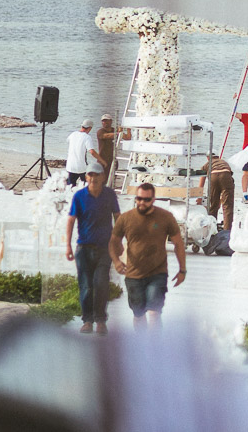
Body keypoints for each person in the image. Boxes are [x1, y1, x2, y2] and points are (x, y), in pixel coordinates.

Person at [110, 182, 186, 330]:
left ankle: (154, 348)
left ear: (153, 199)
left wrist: (182, 269)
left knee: (154, 313)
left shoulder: (166, 217)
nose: (142, 202)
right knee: (138, 315)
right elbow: (113, 241)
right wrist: (116, 261)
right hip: (133, 274)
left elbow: (178, 244)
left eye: (146, 199)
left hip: (157, 273)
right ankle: (141, 347)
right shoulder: (126, 218)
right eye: (139, 199)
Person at [65, 168, 120, 335]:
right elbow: (71, 220)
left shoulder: (110, 195)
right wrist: (67, 245)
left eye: (97, 175)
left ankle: (101, 320)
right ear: (86, 176)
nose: (93, 178)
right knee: (86, 286)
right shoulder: (79, 196)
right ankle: (87, 320)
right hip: (84, 248)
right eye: (90, 174)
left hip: (105, 248)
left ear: (103, 177)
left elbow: (118, 217)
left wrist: (119, 241)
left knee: (101, 283)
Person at [66, 118, 105, 187]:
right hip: (81, 167)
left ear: (82, 126)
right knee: (87, 185)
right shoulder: (87, 137)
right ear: (89, 128)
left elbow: (68, 141)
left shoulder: (72, 134)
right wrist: (102, 160)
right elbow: (92, 151)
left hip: (70, 166)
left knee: (70, 187)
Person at [201, 153, 234, 231]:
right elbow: (230, 176)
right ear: (218, 157)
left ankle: (212, 228)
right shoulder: (224, 162)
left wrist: (199, 195)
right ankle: (227, 229)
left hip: (213, 177)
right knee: (227, 205)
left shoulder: (207, 164)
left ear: (208, 158)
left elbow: (202, 181)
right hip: (226, 175)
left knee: (213, 204)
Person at [95, 113, 130, 185]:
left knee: (111, 181)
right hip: (102, 160)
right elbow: (107, 136)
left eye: (106, 121)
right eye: (103, 121)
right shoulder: (100, 131)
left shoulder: (115, 130)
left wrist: (128, 129)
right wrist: (118, 133)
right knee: (101, 181)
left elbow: (127, 138)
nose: (104, 123)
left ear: (111, 121)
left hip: (113, 159)